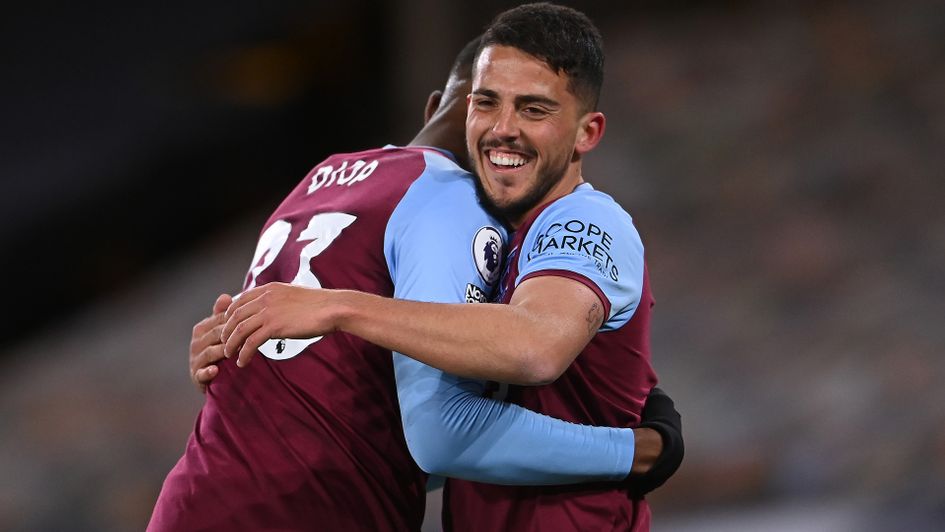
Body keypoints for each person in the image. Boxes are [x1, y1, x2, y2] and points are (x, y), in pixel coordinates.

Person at [152, 27, 681, 532]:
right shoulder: (453, 195)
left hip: (198, 493)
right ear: (463, 107)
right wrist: (636, 450)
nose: (502, 129)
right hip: (309, 509)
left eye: (532, 108)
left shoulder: (323, 178)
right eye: (485, 103)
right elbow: (442, 435)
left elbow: (374, 421)